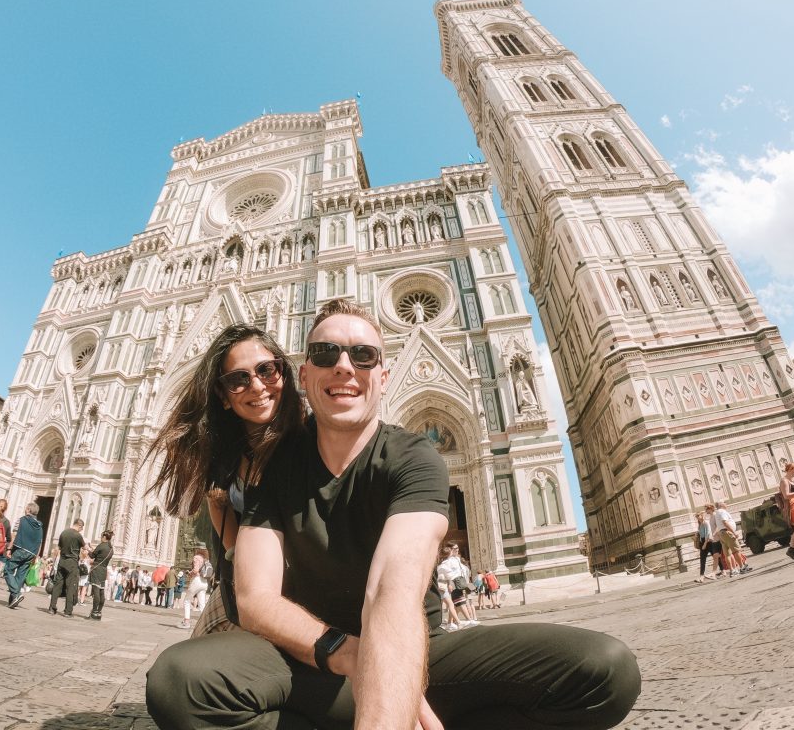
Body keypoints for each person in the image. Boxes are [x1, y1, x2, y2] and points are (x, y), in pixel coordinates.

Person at [146, 298, 641, 729]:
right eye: (325, 353)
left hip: (419, 655)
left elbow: (392, 589)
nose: (345, 366)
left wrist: (390, 672)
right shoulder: (274, 468)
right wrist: (356, 658)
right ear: (306, 375)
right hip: (305, 658)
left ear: (383, 376)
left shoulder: (413, 456)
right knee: (178, 680)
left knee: (604, 668)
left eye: (362, 355)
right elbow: (254, 598)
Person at [145, 323, 305, 636]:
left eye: (267, 370)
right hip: (253, 585)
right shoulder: (219, 458)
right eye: (238, 379)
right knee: (184, 668)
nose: (257, 386)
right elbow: (233, 548)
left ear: (284, 372)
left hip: (310, 584)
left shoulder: (311, 439)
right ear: (223, 395)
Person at [4, 502, 44, 609]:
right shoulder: (40, 526)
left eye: (26, 508)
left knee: (7, 570)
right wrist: (36, 556)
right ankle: (13, 601)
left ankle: (16, 595)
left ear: (28, 510)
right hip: (31, 554)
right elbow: (40, 542)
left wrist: (9, 548)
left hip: (19, 550)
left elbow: (14, 534)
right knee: (20, 577)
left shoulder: (21, 520)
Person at [49, 518, 85, 617]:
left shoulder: (63, 533)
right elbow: (84, 548)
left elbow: (59, 548)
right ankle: (68, 611)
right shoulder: (78, 535)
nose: (81, 530)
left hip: (62, 561)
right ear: (79, 525)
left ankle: (52, 608)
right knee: (70, 587)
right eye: (81, 528)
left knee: (57, 585)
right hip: (72, 563)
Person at [88, 530, 114, 621]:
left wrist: (88, 549)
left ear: (104, 537)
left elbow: (92, 556)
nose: (100, 538)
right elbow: (100, 554)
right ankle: (99, 612)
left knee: (96, 592)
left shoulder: (101, 545)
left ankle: (94, 612)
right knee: (101, 592)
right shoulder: (111, 548)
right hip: (103, 570)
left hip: (97, 570)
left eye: (101, 536)